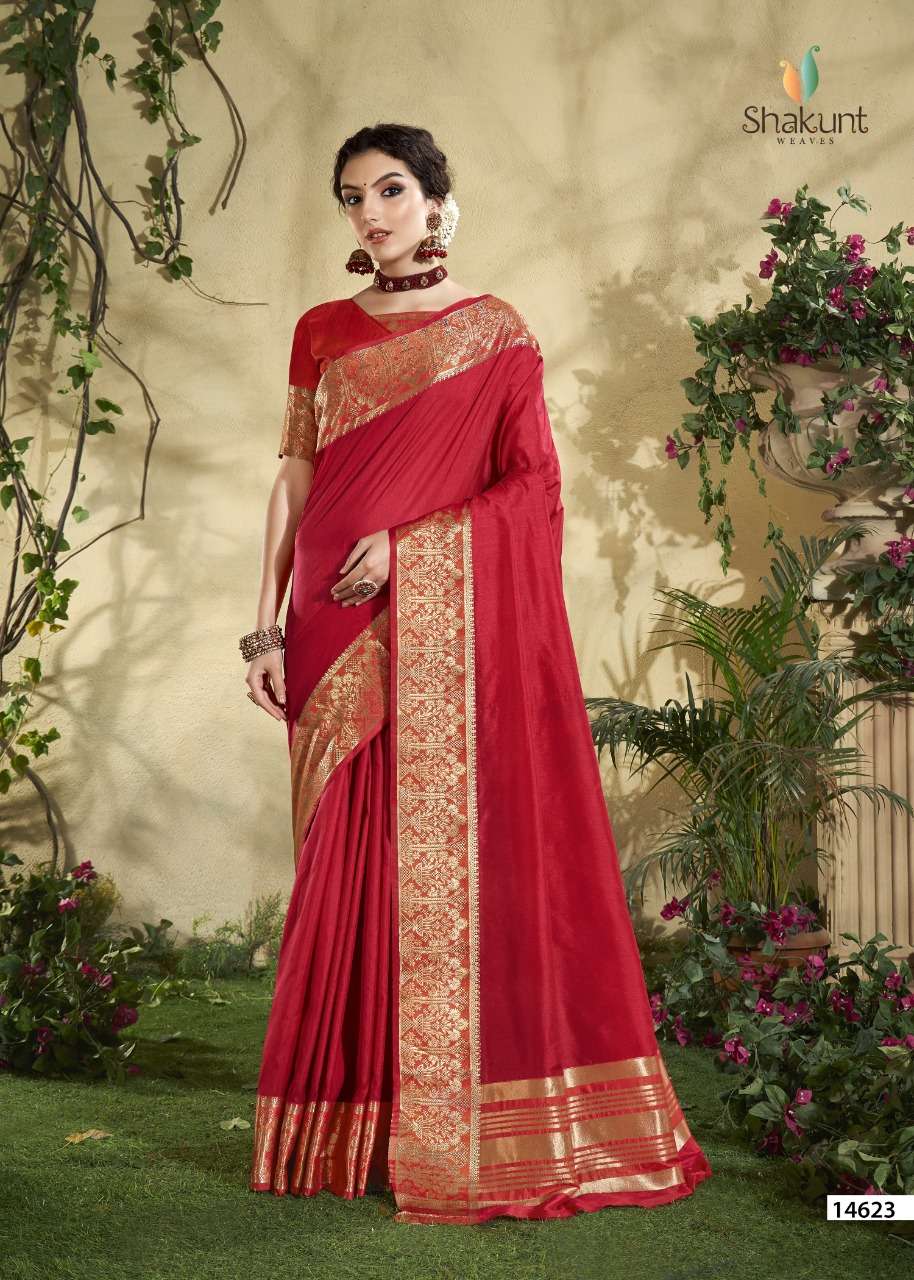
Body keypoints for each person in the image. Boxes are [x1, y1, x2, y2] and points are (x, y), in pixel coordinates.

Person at [242, 122, 712, 1226]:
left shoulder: (495, 334)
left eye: (390, 190)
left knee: (441, 858)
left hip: (430, 618)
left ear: (435, 199)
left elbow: (531, 488)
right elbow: (294, 475)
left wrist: (411, 549)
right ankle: (340, 1130)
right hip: (327, 621)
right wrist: (264, 626)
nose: (370, 213)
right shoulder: (320, 330)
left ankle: (443, 1122)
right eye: (352, 196)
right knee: (342, 861)